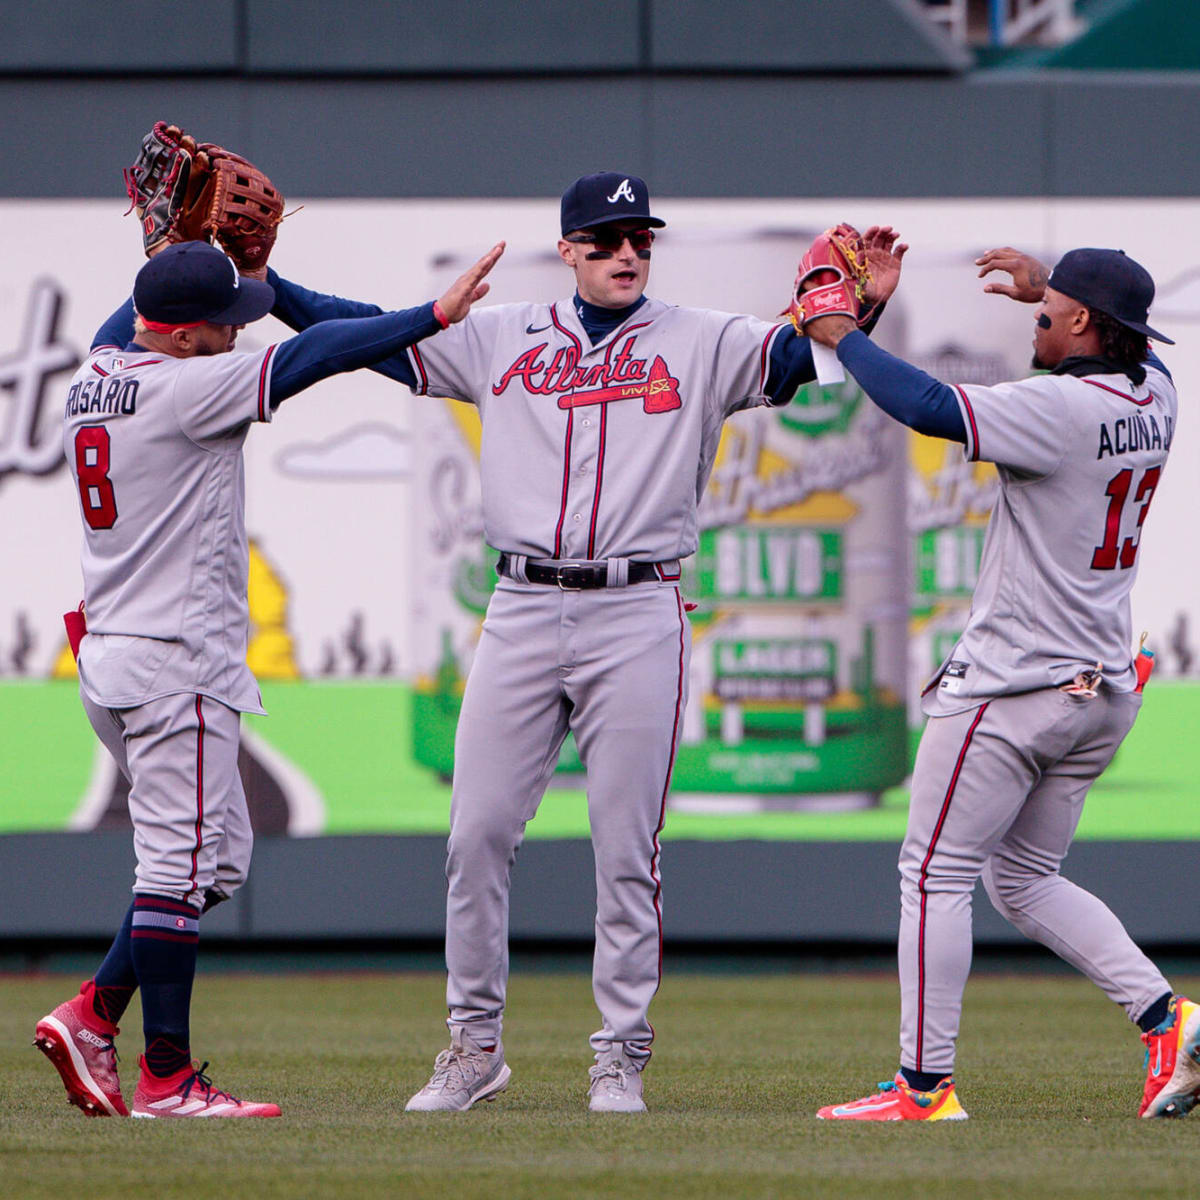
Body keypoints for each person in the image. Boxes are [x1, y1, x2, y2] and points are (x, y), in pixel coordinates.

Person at [264, 173, 908, 1112]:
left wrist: (867, 308)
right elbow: (360, 329)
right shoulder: (500, 334)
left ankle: (619, 1054)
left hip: (637, 611)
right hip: (521, 606)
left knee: (625, 847)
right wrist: (268, 282)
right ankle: (472, 1047)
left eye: (638, 238)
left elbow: (802, 356)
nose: (625, 253)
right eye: (603, 239)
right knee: (476, 833)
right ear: (567, 248)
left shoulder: (704, 339)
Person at [35, 237, 502, 1119]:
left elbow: (135, 315)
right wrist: (432, 318)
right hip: (178, 664)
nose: (235, 336)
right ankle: (166, 1078)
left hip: (116, 657)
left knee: (217, 862)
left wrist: (163, 239)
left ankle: (94, 1011)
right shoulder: (187, 386)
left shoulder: (96, 372)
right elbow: (313, 353)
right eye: (221, 325)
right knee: (176, 870)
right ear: (179, 336)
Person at [802, 245, 1196, 1121]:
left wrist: (839, 330)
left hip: (1015, 686)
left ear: (1087, 323)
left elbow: (929, 406)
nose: (1036, 314)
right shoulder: (1156, 393)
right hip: (1100, 692)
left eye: (1051, 306)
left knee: (933, 875)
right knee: (1022, 877)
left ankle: (923, 1088)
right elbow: (1139, 346)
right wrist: (1056, 288)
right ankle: (1170, 1018)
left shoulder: (1058, 406)